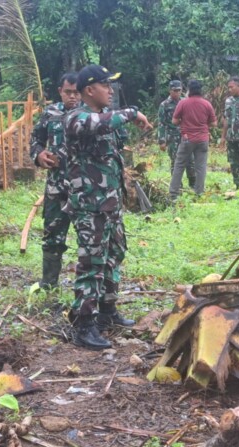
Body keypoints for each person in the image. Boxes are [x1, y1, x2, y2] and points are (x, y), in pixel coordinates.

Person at [63, 64, 152, 350]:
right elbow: (100, 124)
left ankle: (107, 312)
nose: (110, 90)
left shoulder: (103, 117)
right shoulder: (77, 117)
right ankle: (84, 324)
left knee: (115, 254)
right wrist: (132, 113)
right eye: (105, 85)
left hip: (109, 204)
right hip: (90, 206)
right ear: (89, 90)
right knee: (92, 263)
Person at [30, 73, 81, 290]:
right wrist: (39, 155)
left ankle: (87, 288)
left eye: (76, 92)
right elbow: (36, 140)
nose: (72, 97)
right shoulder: (50, 113)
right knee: (53, 236)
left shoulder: (92, 114)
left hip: (84, 188)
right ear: (60, 91)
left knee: (89, 239)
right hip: (56, 187)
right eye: (68, 92)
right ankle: (49, 283)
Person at [169, 79, 217, 200]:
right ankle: (199, 193)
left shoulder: (183, 103)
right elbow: (214, 123)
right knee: (200, 167)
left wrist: (184, 123)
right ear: (201, 90)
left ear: (189, 90)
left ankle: (173, 193)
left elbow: (174, 121)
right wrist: (203, 126)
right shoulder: (207, 104)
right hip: (203, 140)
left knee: (179, 165)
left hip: (187, 139)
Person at [158, 80, 194, 188]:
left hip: (186, 136)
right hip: (172, 137)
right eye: (175, 90)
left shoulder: (185, 102)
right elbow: (161, 123)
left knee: (191, 161)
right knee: (176, 161)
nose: (177, 93)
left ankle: (193, 184)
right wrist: (162, 141)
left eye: (179, 90)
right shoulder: (164, 105)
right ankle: (178, 186)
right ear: (170, 91)